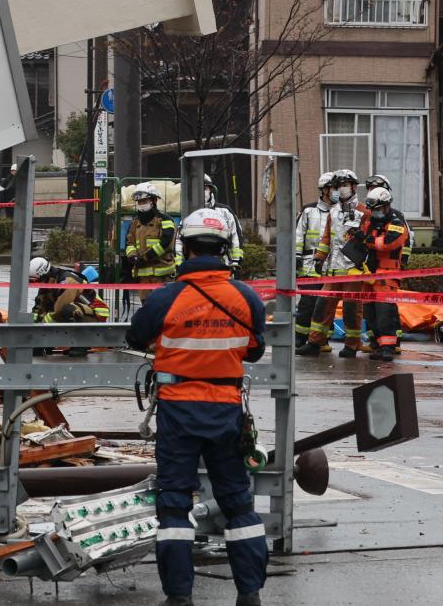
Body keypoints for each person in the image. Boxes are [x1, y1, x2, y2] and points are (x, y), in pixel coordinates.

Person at [126, 210, 268, 606]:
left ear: (184, 248)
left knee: (174, 503)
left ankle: (179, 597)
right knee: (237, 502)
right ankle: (250, 592)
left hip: (178, 411)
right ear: (223, 250)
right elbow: (254, 350)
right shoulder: (246, 297)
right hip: (226, 411)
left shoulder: (168, 297)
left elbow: (136, 336)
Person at [297, 169, 363, 357]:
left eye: (344, 185)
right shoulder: (333, 212)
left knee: (352, 309)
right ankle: (314, 342)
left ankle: (351, 345)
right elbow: (327, 239)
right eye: (337, 185)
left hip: (353, 271)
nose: (340, 189)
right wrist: (319, 257)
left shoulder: (363, 212)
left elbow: (369, 242)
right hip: (333, 270)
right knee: (322, 306)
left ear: (354, 187)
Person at [354, 187, 407, 362]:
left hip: (387, 275)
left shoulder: (397, 224)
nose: (375, 212)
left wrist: (366, 240)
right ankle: (377, 343)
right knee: (370, 312)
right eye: (373, 209)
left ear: (386, 206)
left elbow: (387, 244)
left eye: (378, 209)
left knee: (385, 313)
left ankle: (388, 348)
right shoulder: (370, 222)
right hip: (369, 273)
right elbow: (361, 238)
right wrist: (357, 237)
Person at [292, 172, 336, 350]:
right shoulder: (309, 211)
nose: (336, 192)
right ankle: (300, 337)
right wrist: (295, 258)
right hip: (309, 264)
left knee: (326, 303)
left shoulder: (341, 212)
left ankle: (321, 339)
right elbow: (298, 235)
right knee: (307, 302)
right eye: (333, 188)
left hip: (333, 265)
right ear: (324, 189)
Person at [125, 182, 179, 283]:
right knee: (145, 299)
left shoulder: (165, 220)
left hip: (163, 275)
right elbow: (130, 243)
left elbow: (166, 242)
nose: (141, 204)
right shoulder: (134, 223)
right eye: (139, 201)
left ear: (154, 200)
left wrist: (145, 257)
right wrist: (133, 257)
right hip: (143, 275)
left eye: (144, 201)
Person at [202, 174, 245, 266]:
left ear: (211, 191)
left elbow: (235, 235)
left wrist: (236, 261)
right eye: (199, 189)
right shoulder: (189, 213)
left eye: (205, 189)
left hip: (222, 263)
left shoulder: (225, 211)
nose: (202, 192)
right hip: (196, 264)